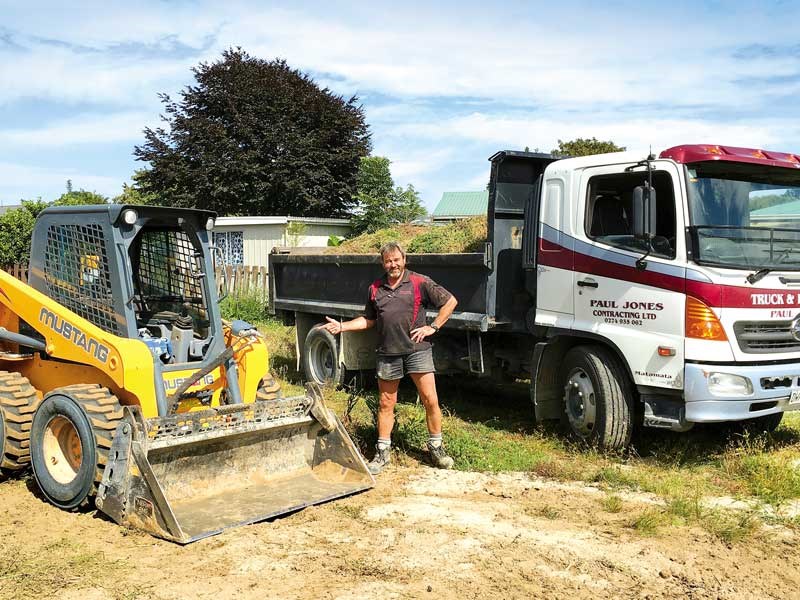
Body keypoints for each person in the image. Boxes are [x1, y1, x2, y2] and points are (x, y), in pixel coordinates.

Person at [322, 241, 458, 475]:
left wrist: (433, 327)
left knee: (430, 399)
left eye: (397, 260)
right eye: (388, 261)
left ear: (404, 260)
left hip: (418, 351)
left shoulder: (418, 282)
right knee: (386, 403)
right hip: (387, 354)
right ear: (383, 263)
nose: (393, 264)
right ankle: (382, 452)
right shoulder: (375, 288)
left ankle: (436, 448)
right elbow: (369, 319)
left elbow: (450, 301)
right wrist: (342, 327)